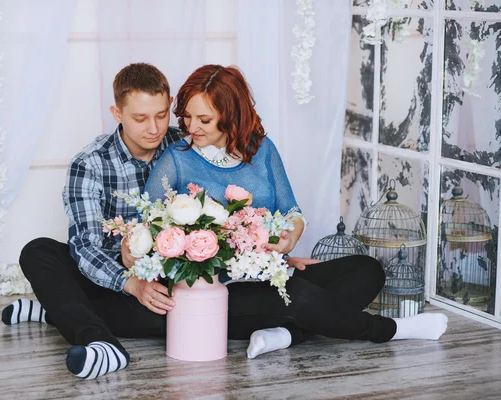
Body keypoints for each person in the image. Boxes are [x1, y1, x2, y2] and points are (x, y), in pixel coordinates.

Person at [143, 64, 449, 360]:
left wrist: (288, 242)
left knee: (368, 270)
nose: (191, 127)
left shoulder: (262, 150)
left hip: (274, 273)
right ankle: (389, 329)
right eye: (187, 116)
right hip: (219, 294)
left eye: (204, 120)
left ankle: (286, 335)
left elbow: (292, 213)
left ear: (230, 115)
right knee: (299, 296)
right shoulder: (177, 159)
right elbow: (152, 228)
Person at [1, 63, 183, 380]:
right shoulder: (90, 163)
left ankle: (57, 308)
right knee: (37, 251)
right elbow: (84, 247)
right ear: (117, 113)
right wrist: (132, 283)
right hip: (109, 277)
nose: (154, 128)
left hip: (164, 278)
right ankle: (99, 343)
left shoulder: (183, 147)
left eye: (162, 114)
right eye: (140, 118)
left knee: (170, 317)